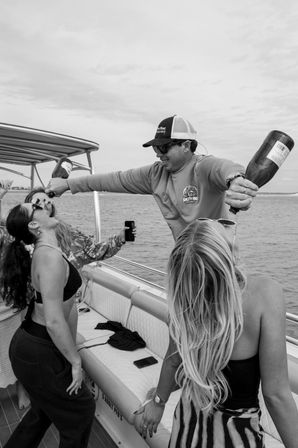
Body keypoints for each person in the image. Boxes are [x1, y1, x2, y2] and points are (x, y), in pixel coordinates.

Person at [134, 219, 298, 447]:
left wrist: (158, 402)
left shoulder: (183, 302)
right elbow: (276, 395)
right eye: (225, 225)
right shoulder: (265, 294)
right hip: (236, 437)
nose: (230, 225)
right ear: (227, 253)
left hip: (188, 428)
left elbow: (173, 360)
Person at [46, 115, 258, 240]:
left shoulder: (202, 168)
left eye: (164, 147)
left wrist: (236, 180)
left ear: (186, 146)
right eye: (156, 147)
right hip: (185, 260)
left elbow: (223, 167)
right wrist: (67, 184)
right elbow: (113, 179)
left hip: (220, 261)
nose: (158, 153)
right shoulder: (155, 174)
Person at [1, 202, 95, 448]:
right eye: (35, 206)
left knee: (41, 412)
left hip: (34, 347)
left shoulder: (46, 251)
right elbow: (53, 320)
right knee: (81, 411)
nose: (42, 204)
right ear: (33, 224)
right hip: (39, 350)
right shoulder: (49, 257)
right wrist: (75, 361)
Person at [24, 187, 129, 269]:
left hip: (66, 293)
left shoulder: (68, 232)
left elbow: (94, 251)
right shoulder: (21, 235)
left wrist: (120, 238)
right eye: (37, 202)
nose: (43, 204)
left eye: (47, 201)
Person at [0, 180, 30, 409]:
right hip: (8, 305)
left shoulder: (14, 243)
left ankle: (22, 391)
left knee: (19, 354)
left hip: (14, 306)